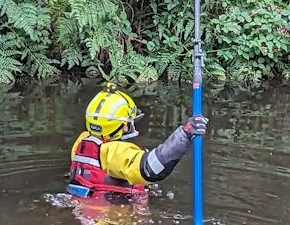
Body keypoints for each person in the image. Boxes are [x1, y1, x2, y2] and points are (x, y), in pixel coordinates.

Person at [67, 82, 208, 197]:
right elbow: (152, 169)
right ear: (123, 126)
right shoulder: (115, 153)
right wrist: (185, 134)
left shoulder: (81, 143)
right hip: (113, 223)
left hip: (88, 215)